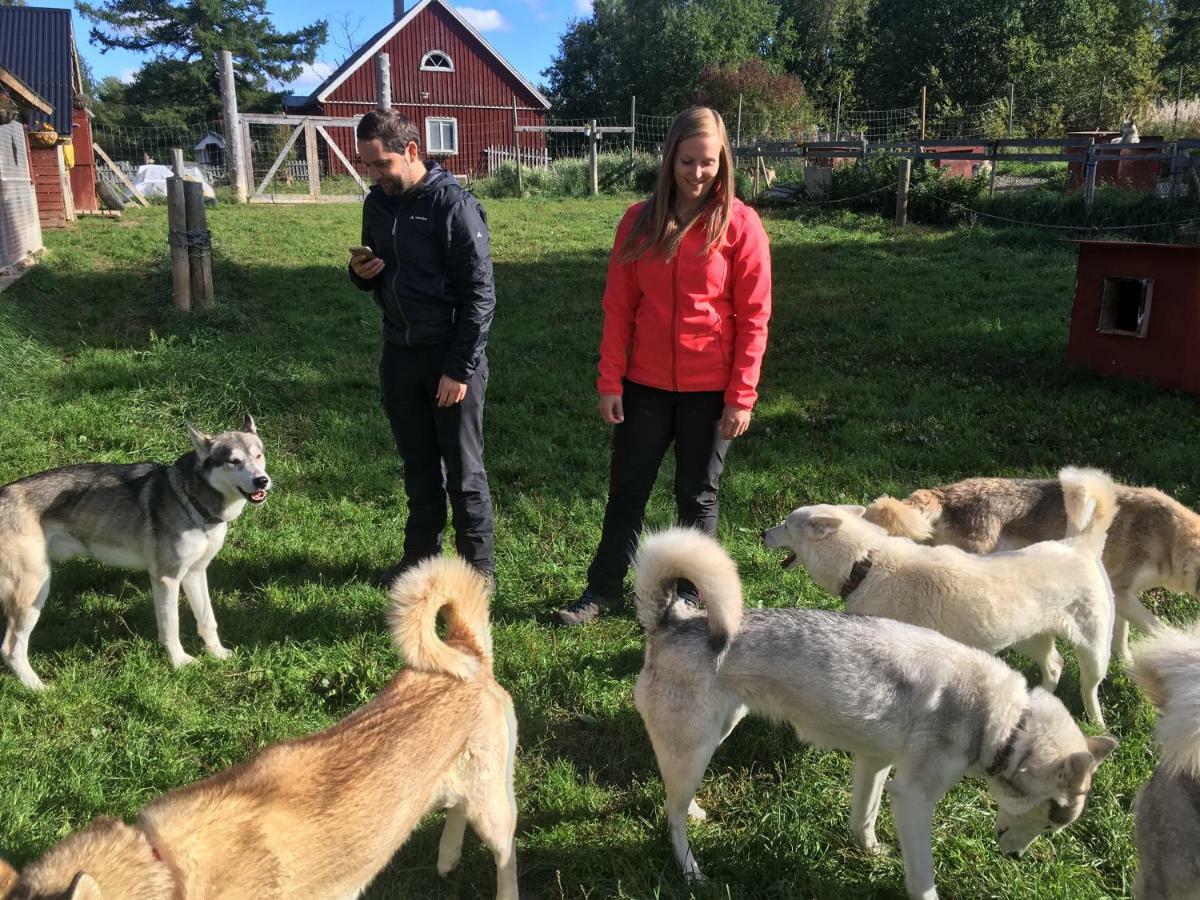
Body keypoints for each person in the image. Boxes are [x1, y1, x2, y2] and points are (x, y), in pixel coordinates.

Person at [557, 106, 771, 626]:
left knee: (696, 497)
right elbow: (619, 306)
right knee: (627, 491)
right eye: (687, 161)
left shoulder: (740, 224)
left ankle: (693, 600)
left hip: (710, 390)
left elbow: (755, 316)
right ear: (670, 156)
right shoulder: (638, 221)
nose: (698, 174)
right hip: (643, 387)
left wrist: (741, 395)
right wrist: (611, 380)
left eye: (709, 163)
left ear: (723, 162)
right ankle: (602, 589)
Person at [349, 110, 495, 585]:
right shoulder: (378, 203)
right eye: (368, 165)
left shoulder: (454, 205)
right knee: (417, 465)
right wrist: (361, 275)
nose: (375, 175)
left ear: (413, 151)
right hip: (399, 352)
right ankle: (420, 558)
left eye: (382, 163)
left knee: (464, 471)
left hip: (450, 358)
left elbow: (481, 296)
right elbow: (375, 270)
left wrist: (458, 368)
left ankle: (477, 573)